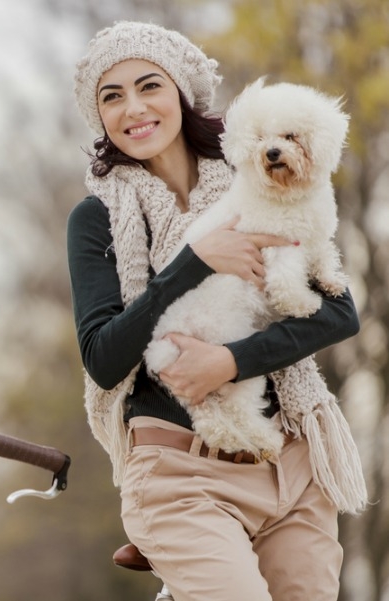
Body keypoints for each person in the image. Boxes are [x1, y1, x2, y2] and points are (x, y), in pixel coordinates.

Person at [67, 21, 367, 600]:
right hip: (183, 476)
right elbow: (103, 360)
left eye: (148, 85)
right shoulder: (97, 217)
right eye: (112, 96)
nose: (134, 108)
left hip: (292, 466)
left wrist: (231, 362)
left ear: (180, 91)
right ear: (98, 115)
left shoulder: (258, 172)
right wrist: (194, 260)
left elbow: (338, 314)